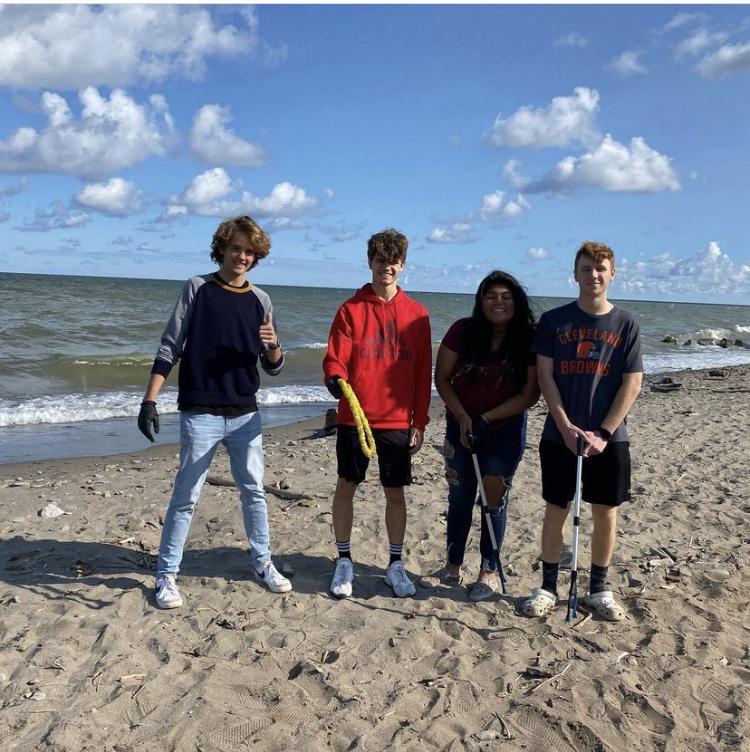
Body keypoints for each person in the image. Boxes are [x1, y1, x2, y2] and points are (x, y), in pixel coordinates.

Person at [137, 215, 292, 609]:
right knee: (186, 494)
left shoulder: (261, 300)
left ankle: (263, 562)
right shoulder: (197, 288)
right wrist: (149, 401)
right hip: (200, 410)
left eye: (249, 251)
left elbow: (273, 366)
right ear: (222, 248)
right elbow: (170, 346)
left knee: (253, 490)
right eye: (236, 248)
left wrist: (274, 346)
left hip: (245, 413)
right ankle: (167, 575)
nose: (242, 256)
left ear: (257, 256)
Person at [522, 241, 642, 621]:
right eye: (586, 268)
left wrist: (603, 433)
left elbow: (632, 382)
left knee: (605, 512)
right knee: (556, 509)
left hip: (609, 439)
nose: (594, 275)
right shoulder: (554, 321)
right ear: (575, 274)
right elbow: (545, 376)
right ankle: (548, 588)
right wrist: (564, 425)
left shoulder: (626, 324)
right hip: (559, 435)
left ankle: (599, 590)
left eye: (601, 268)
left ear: (612, 274)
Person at [323, 228, 432, 599]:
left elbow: (423, 373)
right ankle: (343, 560)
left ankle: (395, 565)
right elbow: (335, 357)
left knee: (395, 493)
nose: (387, 266)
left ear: (402, 265)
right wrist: (334, 377)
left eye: (394, 261)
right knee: (346, 486)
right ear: (370, 262)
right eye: (381, 260)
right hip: (355, 418)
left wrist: (419, 422)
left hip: (397, 419)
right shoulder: (350, 310)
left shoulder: (417, 315)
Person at [432, 271, 539, 601]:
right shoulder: (462, 330)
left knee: (494, 500)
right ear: (480, 301)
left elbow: (529, 395)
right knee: (459, 497)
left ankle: (488, 570)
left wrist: (486, 418)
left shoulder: (528, 338)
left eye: (506, 296)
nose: (498, 302)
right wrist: (464, 417)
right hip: (460, 427)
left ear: (516, 302)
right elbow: (442, 378)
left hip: (504, 431)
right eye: (490, 296)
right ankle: (452, 567)